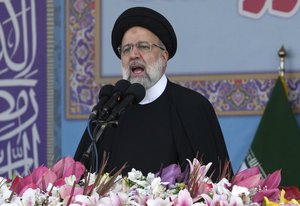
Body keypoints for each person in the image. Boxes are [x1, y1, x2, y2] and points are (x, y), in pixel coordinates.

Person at [74, 7, 232, 181]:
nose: (133, 54)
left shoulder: (193, 108)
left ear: (164, 56)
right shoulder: (108, 112)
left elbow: (215, 186)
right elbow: (79, 182)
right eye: (126, 49)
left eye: (143, 46)